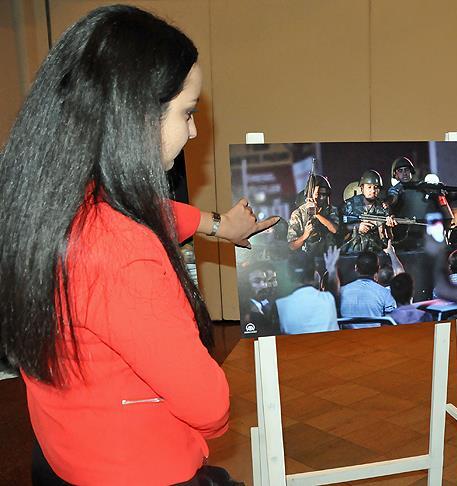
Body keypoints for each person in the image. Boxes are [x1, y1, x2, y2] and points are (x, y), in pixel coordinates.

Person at [0, 6, 262, 484]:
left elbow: (145, 212)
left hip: (65, 456)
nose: (193, 131)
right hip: (140, 469)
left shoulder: (45, 201)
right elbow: (209, 404)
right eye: (186, 112)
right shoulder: (121, 251)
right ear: (135, 115)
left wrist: (216, 224)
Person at [276, 248, 340, 334]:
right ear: (315, 274)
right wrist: (332, 270)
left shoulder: (279, 306)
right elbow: (335, 288)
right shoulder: (329, 298)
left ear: (287, 275)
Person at [286, 175, 340, 257]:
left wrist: (317, 214)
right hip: (307, 259)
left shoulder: (331, 209)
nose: (321, 198)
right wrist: (304, 236)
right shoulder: (298, 214)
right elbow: (292, 246)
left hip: (328, 256)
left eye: (324, 194)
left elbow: (334, 229)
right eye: (318, 194)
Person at [342, 169, 395, 253]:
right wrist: (357, 226)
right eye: (369, 187)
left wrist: (388, 228)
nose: (373, 191)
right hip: (353, 251)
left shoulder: (383, 206)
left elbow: (389, 239)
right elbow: (340, 229)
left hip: (376, 251)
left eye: (376, 187)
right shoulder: (351, 204)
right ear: (362, 188)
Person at [339, 251, 397, 318]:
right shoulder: (386, 294)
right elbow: (391, 321)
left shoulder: (341, 292)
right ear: (378, 269)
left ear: (356, 268)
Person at [239, 260, 280, 336]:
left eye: (264, 280)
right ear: (246, 285)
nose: (264, 285)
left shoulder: (266, 303)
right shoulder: (243, 311)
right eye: (257, 281)